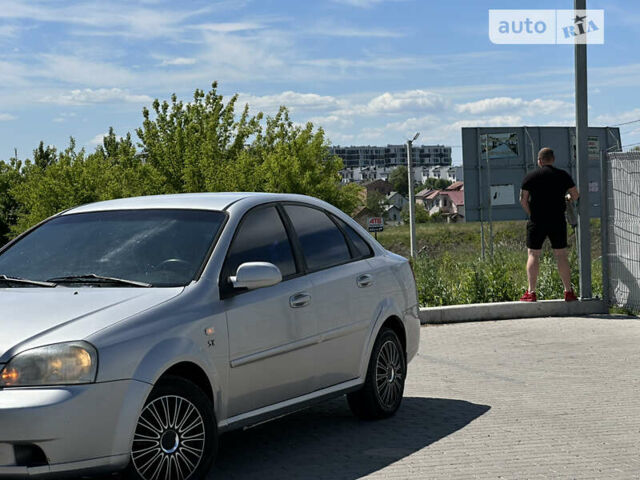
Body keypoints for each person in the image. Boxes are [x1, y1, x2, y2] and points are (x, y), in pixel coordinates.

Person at [519, 147, 580, 302]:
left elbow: (523, 200)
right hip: (557, 220)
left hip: (537, 220)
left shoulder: (530, 177)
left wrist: (532, 214)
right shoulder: (563, 175)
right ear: (553, 159)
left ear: (539, 161)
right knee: (561, 255)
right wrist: (567, 198)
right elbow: (575, 194)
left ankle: (531, 292)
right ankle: (568, 292)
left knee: (533, 254)